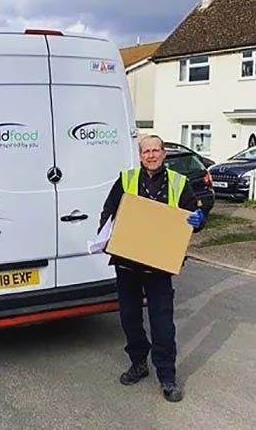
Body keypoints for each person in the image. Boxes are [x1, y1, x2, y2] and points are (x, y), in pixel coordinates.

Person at [99, 135, 205, 403]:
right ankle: (138, 363)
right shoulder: (126, 179)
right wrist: (107, 236)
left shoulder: (180, 184)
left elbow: (192, 217)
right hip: (127, 264)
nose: (151, 155)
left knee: (162, 325)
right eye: (146, 151)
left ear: (164, 153)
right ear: (140, 155)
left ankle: (167, 377)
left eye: (155, 150)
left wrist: (198, 220)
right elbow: (108, 212)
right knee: (130, 319)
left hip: (158, 268)